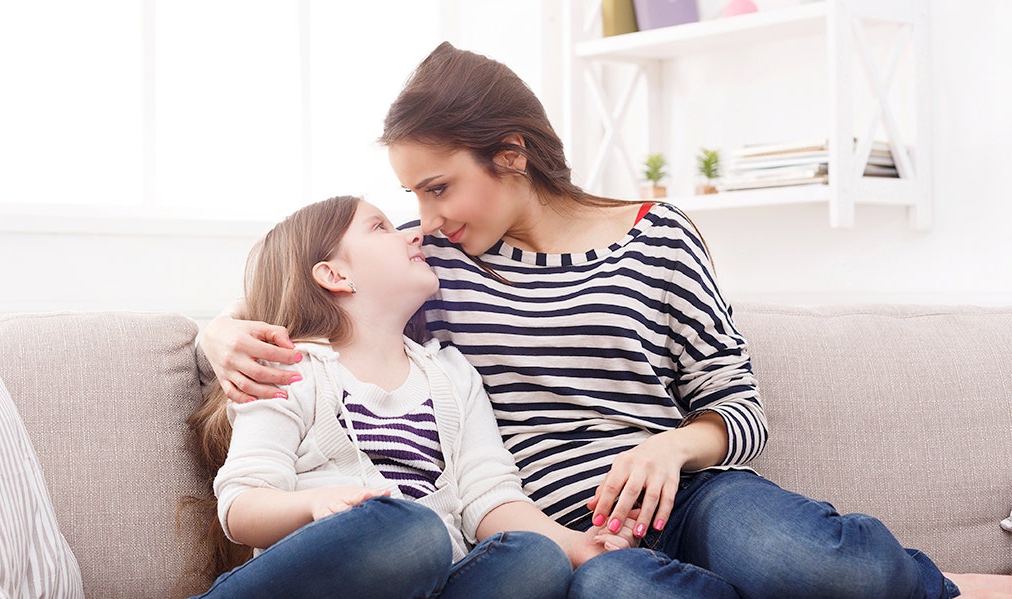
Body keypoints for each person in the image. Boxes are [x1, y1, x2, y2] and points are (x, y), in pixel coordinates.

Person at [202, 43, 1012, 598]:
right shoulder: (434, 263)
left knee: (797, 557)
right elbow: (302, 292)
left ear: (510, 154)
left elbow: (737, 403)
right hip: (569, 536)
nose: (425, 214)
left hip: (691, 496)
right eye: (411, 196)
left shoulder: (658, 235)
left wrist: (672, 444)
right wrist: (215, 334)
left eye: (439, 187)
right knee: (620, 590)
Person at [185, 195, 640, 599]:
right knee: (411, 531)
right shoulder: (289, 369)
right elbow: (242, 505)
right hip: (340, 570)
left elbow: (490, 496)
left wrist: (575, 545)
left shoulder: (453, 375)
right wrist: (315, 506)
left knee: (536, 558)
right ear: (334, 274)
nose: (413, 233)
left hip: (437, 579)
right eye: (380, 226)